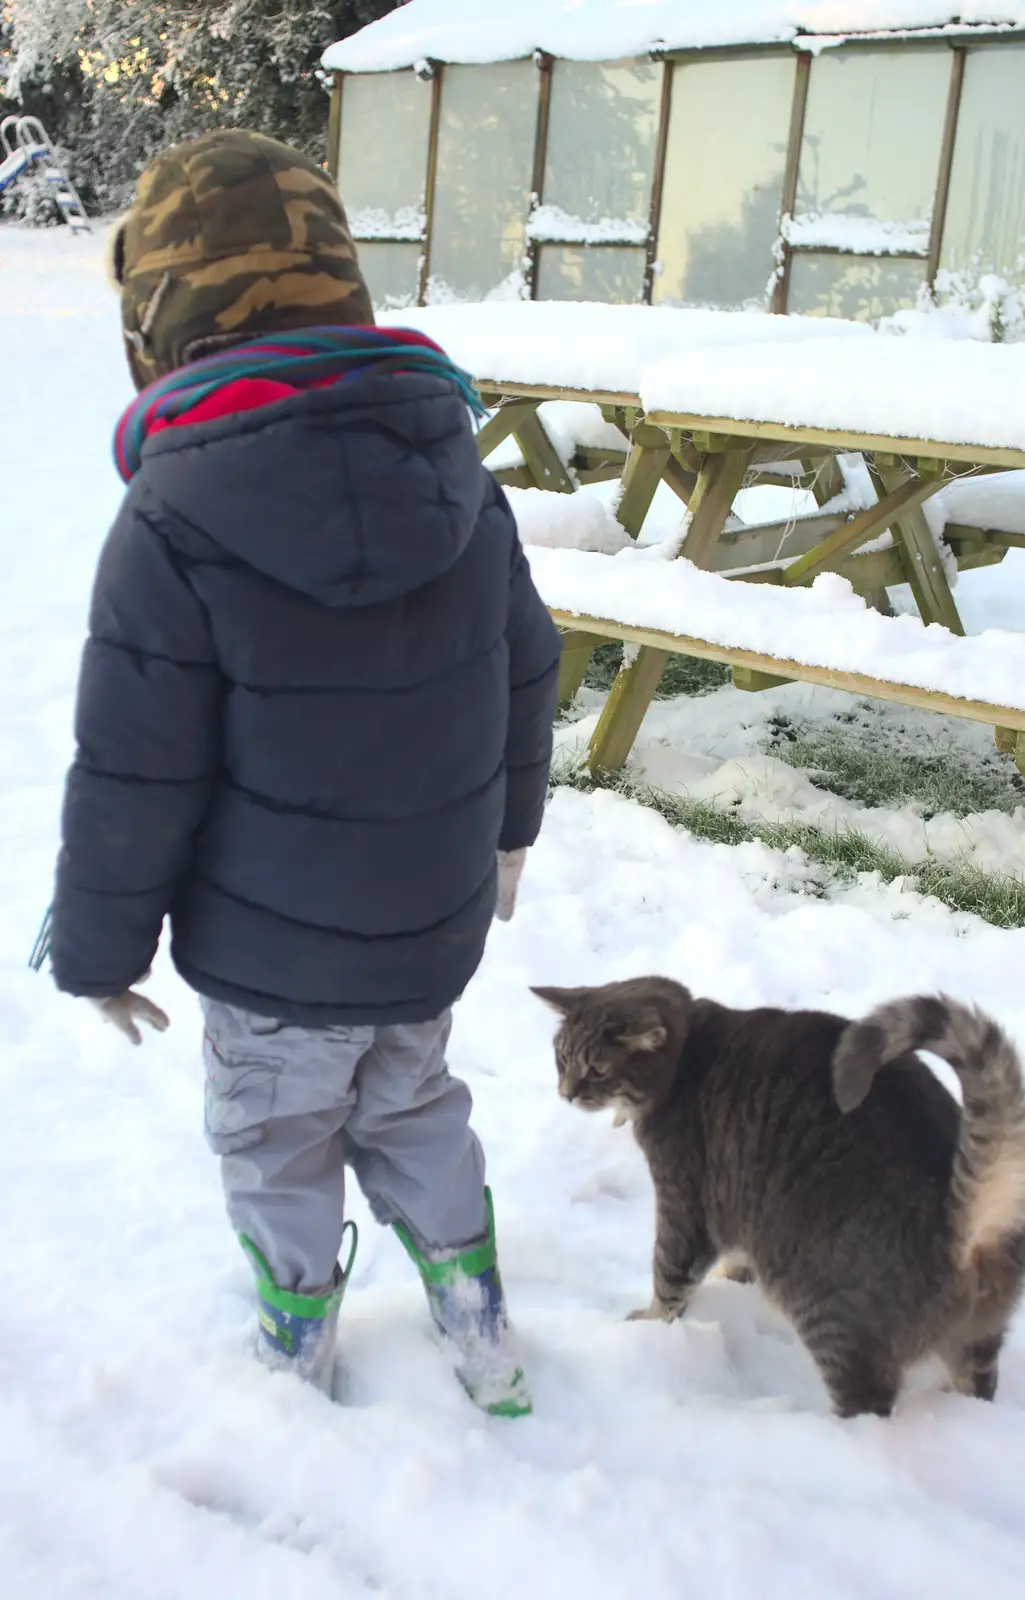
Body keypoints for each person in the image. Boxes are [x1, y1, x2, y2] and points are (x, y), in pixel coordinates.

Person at [48, 129, 560, 1417]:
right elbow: (525, 668)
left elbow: (133, 770)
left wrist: (100, 951)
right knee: (416, 1107)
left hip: (272, 971)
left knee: (279, 1142)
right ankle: (473, 1307)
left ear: (160, 319)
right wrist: (508, 834)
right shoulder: (453, 468)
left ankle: (293, 1333)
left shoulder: (169, 520)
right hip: (427, 930)